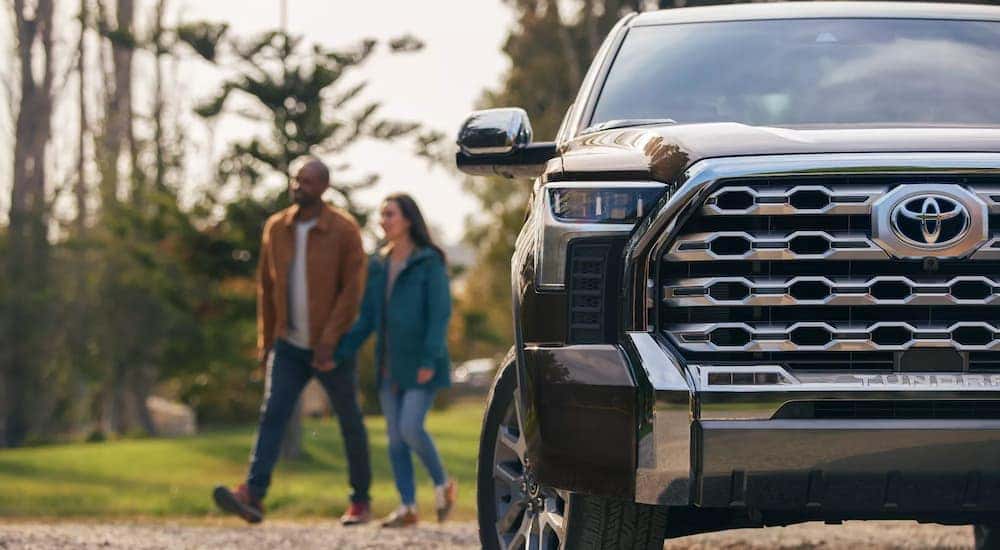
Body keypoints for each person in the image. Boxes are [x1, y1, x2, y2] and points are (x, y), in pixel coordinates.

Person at [213, 158, 373, 525]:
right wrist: (266, 341)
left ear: (324, 186)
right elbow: (266, 289)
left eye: (307, 180)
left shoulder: (344, 230)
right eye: (295, 180)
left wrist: (330, 340)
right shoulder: (276, 229)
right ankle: (253, 495)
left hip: (330, 347)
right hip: (288, 344)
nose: (298, 186)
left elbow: (352, 292)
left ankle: (360, 501)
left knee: (350, 421)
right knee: (273, 414)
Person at [335, 193, 456, 527]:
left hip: (421, 363)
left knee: (410, 428)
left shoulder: (429, 261)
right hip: (388, 366)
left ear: (407, 220)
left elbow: (440, 315)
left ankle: (443, 484)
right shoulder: (379, 264)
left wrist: (430, 358)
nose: (383, 221)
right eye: (381, 215)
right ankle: (408, 507)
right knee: (395, 438)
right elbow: (368, 318)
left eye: (389, 214)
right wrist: (338, 351)